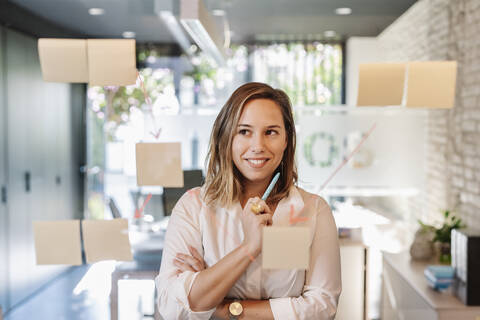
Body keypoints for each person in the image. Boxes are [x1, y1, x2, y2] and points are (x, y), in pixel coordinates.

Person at [155, 82, 341, 319]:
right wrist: (249, 247)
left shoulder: (313, 211)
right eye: (244, 131)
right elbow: (174, 306)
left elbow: (321, 307)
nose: (258, 146)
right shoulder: (194, 207)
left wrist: (230, 311)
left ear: (286, 140)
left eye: (271, 132)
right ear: (226, 137)